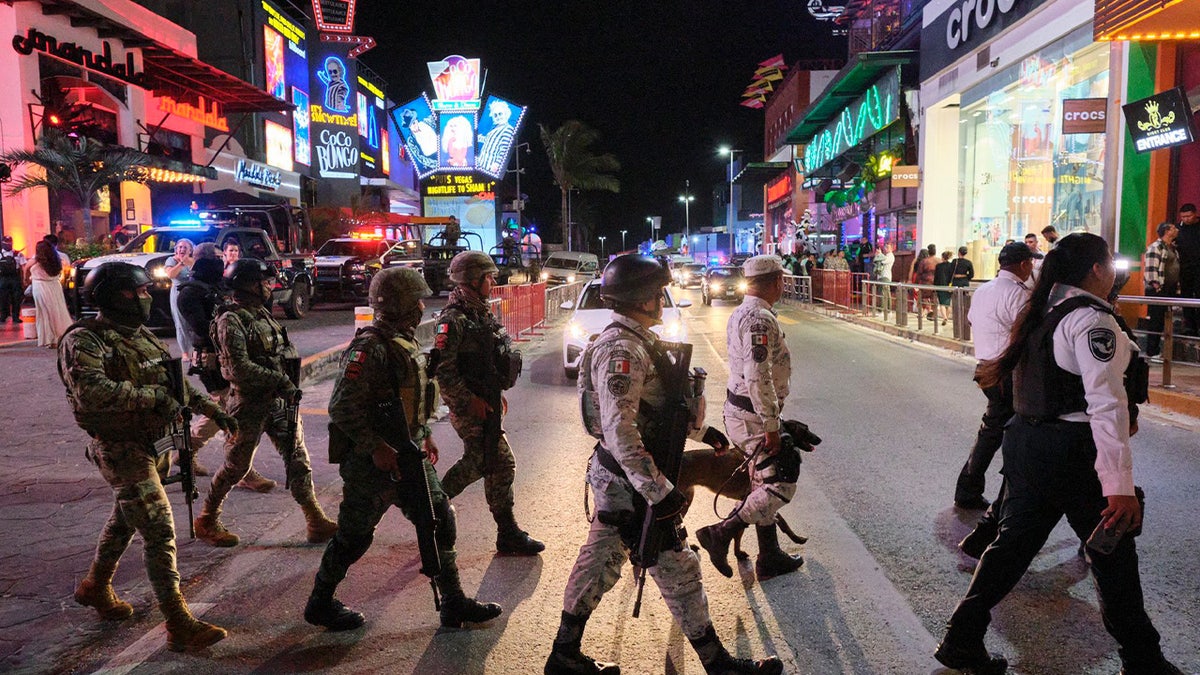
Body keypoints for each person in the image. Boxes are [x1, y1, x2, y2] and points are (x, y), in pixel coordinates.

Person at [934, 233, 1183, 675]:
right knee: (1114, 556)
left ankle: (961, 637)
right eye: (1111, 263)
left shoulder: (1043, 308)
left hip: (1030, 445)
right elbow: (1106, 406)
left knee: (1011, 548)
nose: (1115, 272)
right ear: (1095, 270)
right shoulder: (1091, 321)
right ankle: (1144, 660)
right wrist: (1119, 487)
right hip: (1073, 456)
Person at [546, 254, 782, 675]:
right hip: (630, 482)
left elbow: (655, 412)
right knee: (673, 567)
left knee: (602, 563)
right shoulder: (622, 350)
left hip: (630, 478)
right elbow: (620, 431)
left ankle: (564, 655)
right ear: (640, 298)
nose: (661, 299)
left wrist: (702, 433)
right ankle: (717, 664)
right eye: (656, 293)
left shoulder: (638, 342)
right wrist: (660, 491)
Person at [305, 268, 503, 631]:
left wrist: (423, 432)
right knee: (354, 536)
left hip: (409, 454)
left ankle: (453, 601)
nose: (421, 307)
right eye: (415, 301)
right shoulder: (370, 348)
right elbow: (342, 407)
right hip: (371, 464)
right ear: (397, 305)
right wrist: (376, 447)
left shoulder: (404, 342)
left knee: (439, 517)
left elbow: (408, 400)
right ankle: (320, 601)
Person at [59, 262, 236, 652]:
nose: (145, 299)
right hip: (120, 449)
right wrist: (151, 399)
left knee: (124, 521)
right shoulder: (85, 340)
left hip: (153, 446)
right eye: (138, 292)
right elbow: (92, 391)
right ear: (114, 296)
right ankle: (177, 621)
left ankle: (95, 586)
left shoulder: (142, 338)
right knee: (158, 529)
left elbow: (174, 386)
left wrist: (214, 410)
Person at [193, 259, 338, 547]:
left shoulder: (262, 315)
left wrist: (288, 380)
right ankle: (207, 518)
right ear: (248, 285)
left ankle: (315, 519)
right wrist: (280, 381)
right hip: (248, 405)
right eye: (264, 283)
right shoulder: (230, 319)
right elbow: (237, 368)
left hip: (278, 402)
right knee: (237, 466)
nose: (269, 287)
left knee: (298, 461)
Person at [697, 255, 805, 581]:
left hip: (742, 411)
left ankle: (769, 556)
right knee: (780, 486)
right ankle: (721, 532)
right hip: (753, 416)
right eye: (782, 280)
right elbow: (758, 375)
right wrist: (772, 424)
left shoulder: (743, 312)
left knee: (761, 482)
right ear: (775, 283)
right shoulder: (759, 319)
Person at [434, 251, 544, 555]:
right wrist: (469, 402)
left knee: (491, 463)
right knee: (493, 461)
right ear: (473, 279)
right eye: (488, 277)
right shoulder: (453, 319)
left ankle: (505, 533)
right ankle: (433, 506)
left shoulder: (478, 312)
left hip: (487, 399)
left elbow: (486, 361)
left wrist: (496, 393)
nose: (494, 282)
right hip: (469, 406)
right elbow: (443, 371)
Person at [952, 242, 1039, 513]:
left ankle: (969, 488)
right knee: (1017, 434)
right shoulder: (1020, 295)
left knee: (992, 431)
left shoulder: (984, 290)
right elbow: (1028, 335)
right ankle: (1005, 499)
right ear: (1024, 264)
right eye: (1031, 264)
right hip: (1008, 372)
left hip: (985, 367)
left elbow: (971, 320)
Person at [175, 257, 229, 478]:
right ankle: (238, 465)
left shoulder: (213, 288)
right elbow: (200, 326)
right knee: (226, 408)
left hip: (222, 355)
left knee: (226, 408)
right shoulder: (190, 293)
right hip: (210, 358)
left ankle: (187, 451)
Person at [1142, 222, 1180, 357]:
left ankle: (1160, 350)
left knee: (1164, 320)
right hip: (1158, 289)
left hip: (1169, 289)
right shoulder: (1156, 247)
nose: (1176, 230)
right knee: (1156, 321)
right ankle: (1152, 351)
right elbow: (1151, 269)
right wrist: (1156, 286)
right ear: (1167, 231)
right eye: (1173, 228)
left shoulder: (1172, 247)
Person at [25, 240, 73, 348]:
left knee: (44, 312)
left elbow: (26, 271)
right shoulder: (57, 261)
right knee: (57, 310)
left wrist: (27, 280)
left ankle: (49, 338)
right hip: (55, 286)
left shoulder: (34, 261)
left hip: (40, 286)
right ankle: (58, 336)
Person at [165, 239, 195, 356]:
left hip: (192, 293)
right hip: (178, 294)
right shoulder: (171, 260)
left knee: (192, 322)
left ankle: (195, 351)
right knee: (181, 323)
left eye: (185, 248)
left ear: (190, 250)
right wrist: (181, 263)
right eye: (179, 247)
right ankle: (185, 353)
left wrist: (189, 262)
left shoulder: (193, 261)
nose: (181, 249)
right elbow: (170, 274)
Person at [1174, 203, 1200, 335]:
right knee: (1186, 297)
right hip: (1185, 270)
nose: (1186, 219)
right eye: (1183, 217)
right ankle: (1189, 326)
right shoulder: (1177, 229)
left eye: (1189, 216)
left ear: (1195, 214)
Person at [476, 99, 516, 176]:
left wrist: (496, 165)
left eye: (500, 114)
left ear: (506, 114)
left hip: (489, 169)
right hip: (482, 165)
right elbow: (491, 142)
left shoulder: (508, 129)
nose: (498, 117)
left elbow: (504, 149)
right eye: (495, 115)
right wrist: (478, 138)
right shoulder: (496, 128)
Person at [0, 236, 27, 324]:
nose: (8, 244)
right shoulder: (0, 254)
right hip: (3, 278)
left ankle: (15, 316)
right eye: (6, 242)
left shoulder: (18, 254)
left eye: (9, 242)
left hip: (15, 278)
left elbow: (23, 267)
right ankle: (3, 316)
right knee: (3, 297)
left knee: (16, 298)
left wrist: (24, 278)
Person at [933, 251, 955, 325]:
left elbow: (936, 277)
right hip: (949, 286)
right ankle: (947, 317)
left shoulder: (938, 266)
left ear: (942, 257)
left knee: (942, 303)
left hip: (940, 286)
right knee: (948, 304)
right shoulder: (952, 266)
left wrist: (934, 286)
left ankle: (944, 317)